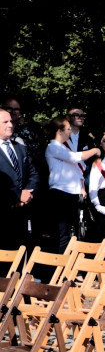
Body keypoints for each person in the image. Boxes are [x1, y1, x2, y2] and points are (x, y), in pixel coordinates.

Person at [44, 116, 100, 252]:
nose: (70, 132)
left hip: (72, 194)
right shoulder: (53, 147)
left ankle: (73, 267)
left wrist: (81, 188)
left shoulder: (64, 148)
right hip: (60, 193)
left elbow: (77, 170)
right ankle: (62, 268)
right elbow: (75, 158)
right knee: (63, 233)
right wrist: (95, 150)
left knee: (74, 233)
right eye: (68, 129)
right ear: (60, 131)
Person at [0, 105, 38, 250]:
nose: (10, 124)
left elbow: (33, 174)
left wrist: (28, 192)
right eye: (5, 122)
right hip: (3, 213)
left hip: (22, 212)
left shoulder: (21, 148)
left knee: (21, 253)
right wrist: (17, 195)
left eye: (11, 121)